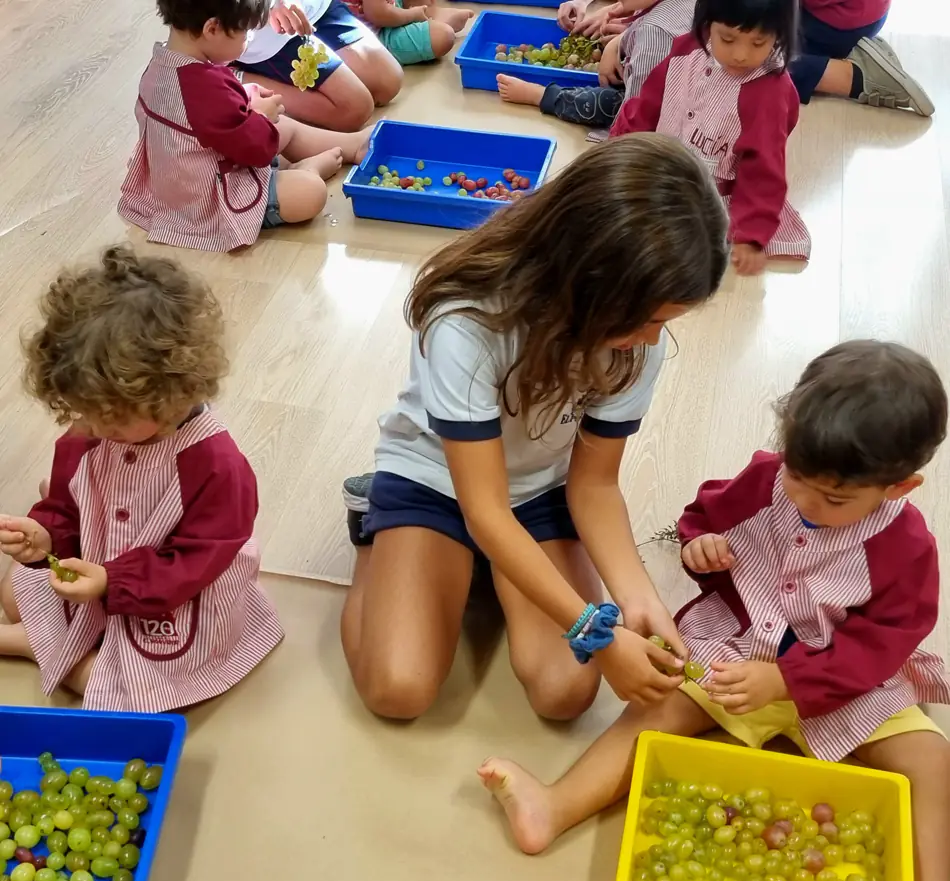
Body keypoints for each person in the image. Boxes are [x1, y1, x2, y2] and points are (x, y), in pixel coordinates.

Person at [478, 340, 950, 881]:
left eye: (833, 499)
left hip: (842, 680)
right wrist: (702, 545)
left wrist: (789, 682)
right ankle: (555, 804)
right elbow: (702, 516)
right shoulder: (765, 480)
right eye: (798, 478)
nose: (806, 503)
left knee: (932, 761)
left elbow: (884, 644)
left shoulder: (906, 546)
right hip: (735, 648)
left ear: (899, 487)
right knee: (655, 706)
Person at [339, 134, 729, 722]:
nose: (654, 339)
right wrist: (593, 630)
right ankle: (375, 528)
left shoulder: (631, 341)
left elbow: (593, 484)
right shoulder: (467, 321)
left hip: (539, 489)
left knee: (565, 694)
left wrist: (639, 598)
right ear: (591, 281)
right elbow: (485, 511)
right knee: (398, 690)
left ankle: (485, 571)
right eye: (648, 319)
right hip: (438, 481)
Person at [0, 246, 284, 711]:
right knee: (16, 589)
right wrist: (47, 537)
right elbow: (68, 506)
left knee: (123, 693)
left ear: (174, 394)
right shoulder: (90, 430)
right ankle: (51, 641)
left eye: (110, 419)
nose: (93, 428)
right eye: (86, 413)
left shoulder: (215, 465)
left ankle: (35, 646)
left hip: (173, 597)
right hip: (97, 571)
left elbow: (195, 562)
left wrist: (113, 581)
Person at [119, 0, 373, 253]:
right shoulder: (205, 89)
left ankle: (352, 145)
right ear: (213, 29)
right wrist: (260, 118)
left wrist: (247, 98)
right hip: (206, 199)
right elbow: (256, 150)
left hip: (186, 172)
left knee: (281, 125)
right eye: (246, 32)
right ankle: (307, 169)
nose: (249, 40)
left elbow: (199, 117)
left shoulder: (165, 61)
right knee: (310, 193)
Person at [610, 0, 811, 277]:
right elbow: (647, 108)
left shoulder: (769, 93)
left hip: (720, 202)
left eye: (758, 43)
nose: (740, 55)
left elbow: (764, 170)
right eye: (727, 38)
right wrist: (619, 150)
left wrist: (749, 235)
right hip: (662, 177)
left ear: (780, 36)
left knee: (682, 255)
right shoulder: (686, 50)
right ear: (707, 23)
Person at [496, 0, 693, 134]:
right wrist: (620, 40)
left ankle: (543, 96)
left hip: (658, 119)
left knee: (607, 102)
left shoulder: (654, 35)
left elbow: (636, 120)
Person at [233, 0, 402, 131]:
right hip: (269, 35)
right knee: (355, 110)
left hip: (313, 8)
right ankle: (237, 77)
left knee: (388, 82)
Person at [790, 0, 933, 115]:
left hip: (837, 21)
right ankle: (859, 52)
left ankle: (858, 77)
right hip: (866, 15)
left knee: (771, 65)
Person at [340, 0, 473, 68]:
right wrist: (412, 15)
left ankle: (429, 15)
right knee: (443, 36)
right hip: (372, 39)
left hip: (383, 11)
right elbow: (379, 15)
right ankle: (433, 22)